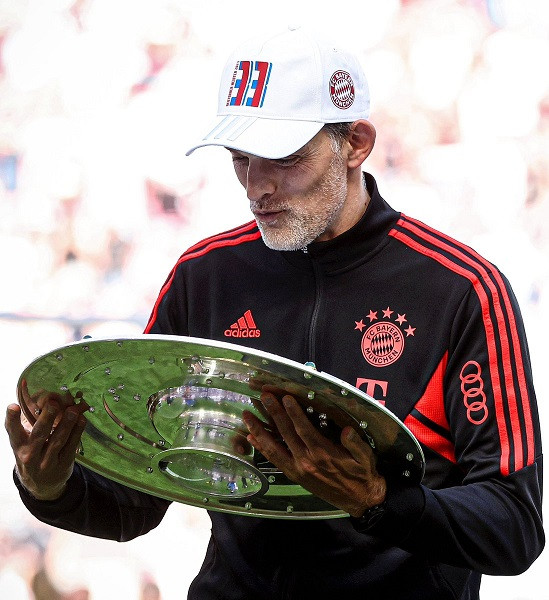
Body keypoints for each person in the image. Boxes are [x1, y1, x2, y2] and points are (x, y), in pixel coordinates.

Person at [5, 26, 544, 600]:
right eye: (240, 159)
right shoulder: (205, 276)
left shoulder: (462, 290)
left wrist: (379, 502)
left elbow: (513, 527)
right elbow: (135, 504)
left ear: (355, 143)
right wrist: (51, 486)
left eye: (284, 159)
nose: (256, 187)